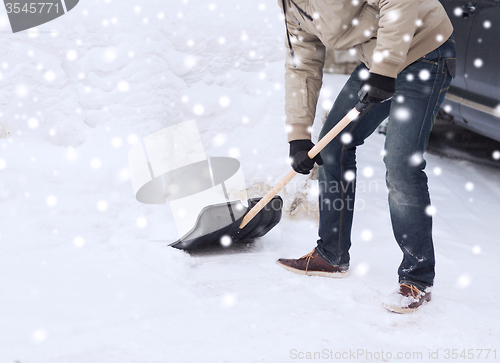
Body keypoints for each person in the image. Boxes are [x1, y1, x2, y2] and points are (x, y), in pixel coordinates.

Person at [276, 0, 456, 313]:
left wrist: (384, 69)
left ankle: (417, 277)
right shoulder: (291, 7)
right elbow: (302, 65)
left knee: (401, 165)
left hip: (425, 51)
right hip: (379, 60)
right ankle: (331, 254)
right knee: (332, 146)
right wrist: (298, 135)